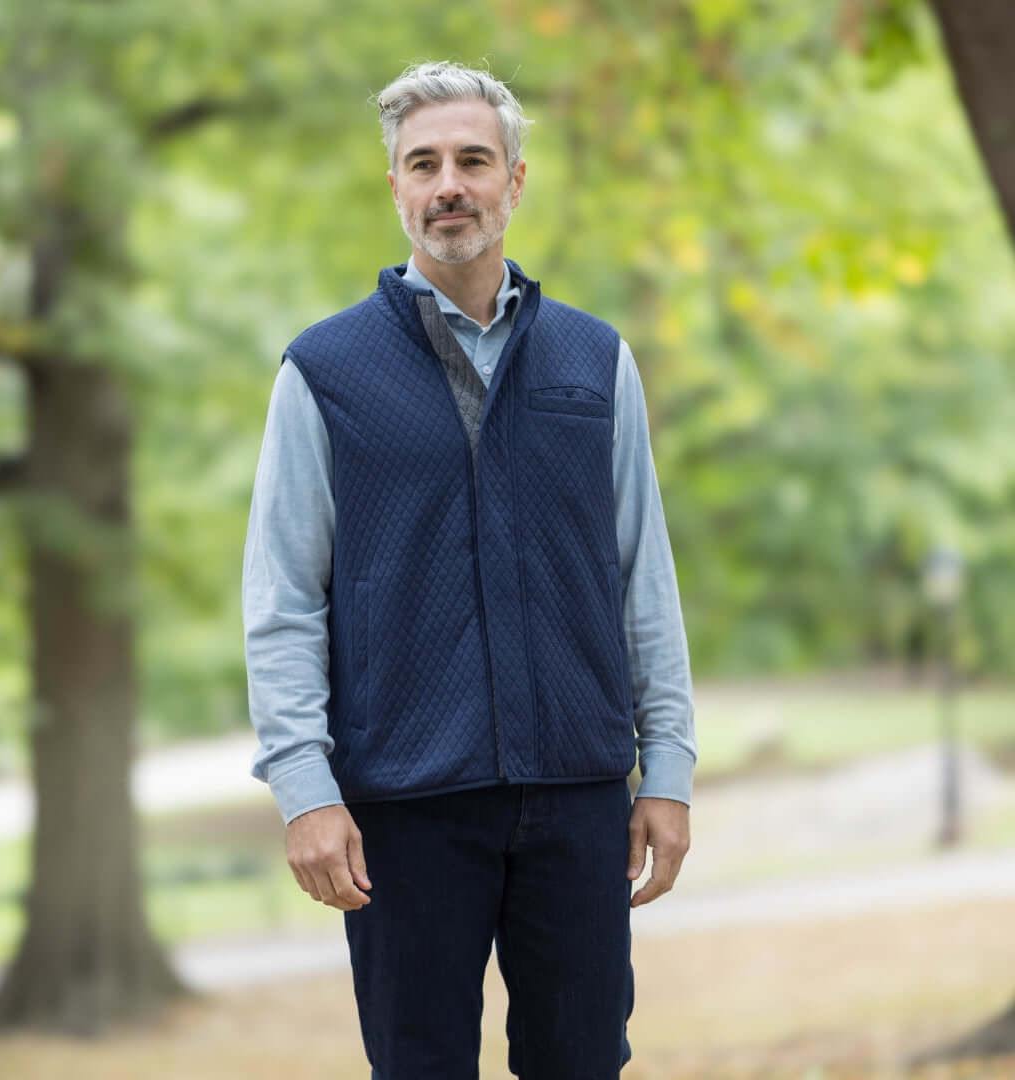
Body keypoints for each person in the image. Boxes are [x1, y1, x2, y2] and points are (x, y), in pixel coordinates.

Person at [242, 60, 696, 1080]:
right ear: (396, 189)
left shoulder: (596, 360)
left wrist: (666, 767)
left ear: (515, 182)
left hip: (578, 795)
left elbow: (643, 579)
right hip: (403, 806)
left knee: (583, 1064)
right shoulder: (323, 373)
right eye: (424, 164)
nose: (449, 183)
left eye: (472, 161)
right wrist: (304, 791)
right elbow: (280, 602)